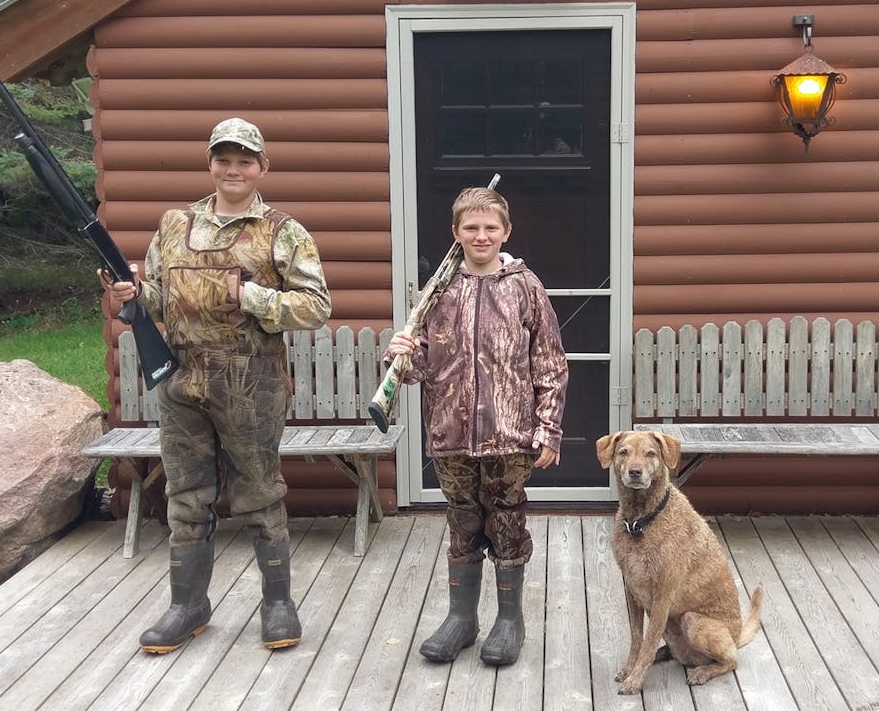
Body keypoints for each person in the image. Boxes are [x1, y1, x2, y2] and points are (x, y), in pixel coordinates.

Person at [104, 117, 331, 654]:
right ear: (210, 163)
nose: (234, 169)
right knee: (185, 493)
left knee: (259, 491)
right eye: (224, 159)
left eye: (244, 160)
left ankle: (278, 603)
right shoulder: (175, 224)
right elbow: (158, 298)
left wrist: (251, 297)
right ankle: (189, 605)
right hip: (182, 376)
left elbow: (317, 307)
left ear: (262, 167)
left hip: (251, 379)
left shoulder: (283, 232)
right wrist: (130, 295)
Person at [383, 186, 568, 667]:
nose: (481, 235)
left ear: (506, 231)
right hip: (451, 432)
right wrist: (403, 355)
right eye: (471, 227)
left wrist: (547, 428)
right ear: (455, 233)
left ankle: (510, 622)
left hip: (511, 434)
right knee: (462, 523)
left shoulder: (526, 286)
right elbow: (424, 365)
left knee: (506, 523)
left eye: (490, 227)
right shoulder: (439, 290)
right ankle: (461, 620)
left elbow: (550, 364)